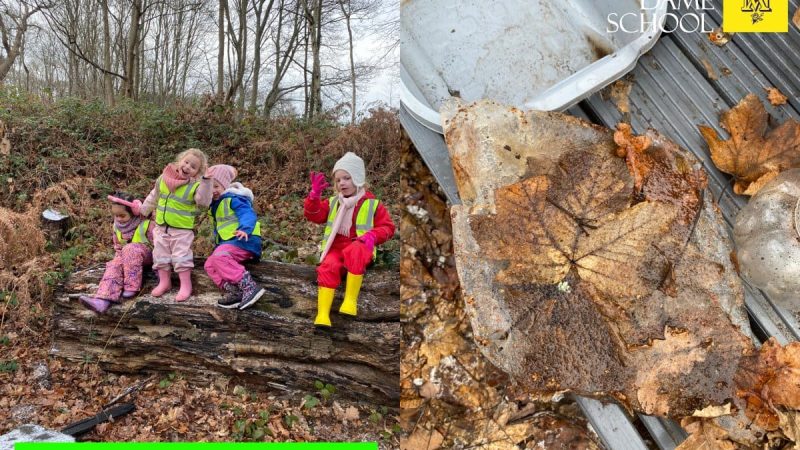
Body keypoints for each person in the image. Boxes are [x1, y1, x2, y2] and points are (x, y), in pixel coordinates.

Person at [304, 152, 395, 327]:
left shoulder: (372, 204)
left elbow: (388, 228)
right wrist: (314, 197)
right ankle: (323, 314)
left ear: (358, 178)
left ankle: (350, 301)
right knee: (328, 266)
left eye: (347, 178)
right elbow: (314, 215)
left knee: (356, 250)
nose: (342, 183)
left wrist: (372, 236)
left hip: (361, 246)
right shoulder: (333, 202)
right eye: (338, 180)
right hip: (335, 248)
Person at [140, 148, 212, 301]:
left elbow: (204, 202)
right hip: (161, 226)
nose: (187, 167)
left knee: (181, 256)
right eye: (186, 162)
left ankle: (185, 285)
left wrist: (206, 181)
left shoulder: (195, 186)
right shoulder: (163, 178)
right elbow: (154, 195)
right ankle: (164, 283)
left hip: (182, 229)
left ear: (197, 172)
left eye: (193, 167)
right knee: (160, 255)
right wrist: (144, 210)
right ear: (180, 161)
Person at [203, 164, 266, 309]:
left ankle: (249, 286)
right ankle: (234, 290)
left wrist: (245, 229)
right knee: (209, 264)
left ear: (225, 186)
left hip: (245, 240)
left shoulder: (234, 198)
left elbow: (247, 214)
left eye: (217, 187)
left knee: (220, 256)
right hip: (231, 244)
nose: (213, 191)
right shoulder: (215, 205)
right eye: (210, 187)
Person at [79, 193, 152, 313]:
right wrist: (118, 261)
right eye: (116, 215)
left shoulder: (147, 224)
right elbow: (118, 247)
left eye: (122, 215)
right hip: (127, 256)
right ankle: (102, 300)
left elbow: (161, 244)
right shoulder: (117, 227)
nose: (118, 219)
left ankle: (132, 286)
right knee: (114, 264)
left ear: (134, 212)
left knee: (130, 249)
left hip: (149, 255)